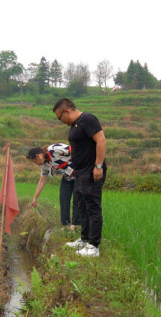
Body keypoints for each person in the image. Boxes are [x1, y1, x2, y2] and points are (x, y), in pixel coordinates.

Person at [52, 98, 107, 257]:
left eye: (59, 117)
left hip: (91, 171)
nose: (60, 121)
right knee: (81, 206)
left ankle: (94, 246)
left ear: (66, 111)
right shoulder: (76, 124)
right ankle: (84, 239)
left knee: (92, 207)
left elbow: (101, 140)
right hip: (80, 172)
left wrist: (98, 166)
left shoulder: (88, 119)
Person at [27, 144, 81, 230]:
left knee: (77, 199)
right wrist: (35, 198)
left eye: (34, 162)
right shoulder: (44, 165)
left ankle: (76, 225)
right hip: (67, 178)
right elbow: (42, 180)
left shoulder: (54, 150)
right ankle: (65, 225)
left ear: (38, 156)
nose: (36, 164)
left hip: (80, 175)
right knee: (64, 199)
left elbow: (76, 149)